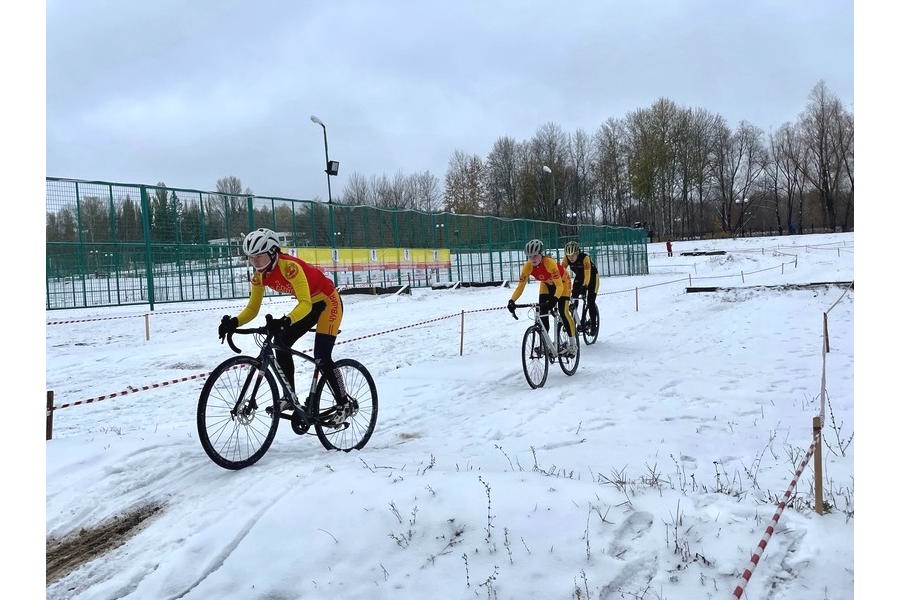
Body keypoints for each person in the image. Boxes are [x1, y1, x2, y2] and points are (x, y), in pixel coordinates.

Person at [217, 227, 351, 424]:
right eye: (251, 258)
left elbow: (305, 303)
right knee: (281, 341)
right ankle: (289, 397)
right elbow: (253, 308)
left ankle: (344, 403)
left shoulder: (290, 267)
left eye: (259, 257)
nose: (255, 262)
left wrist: (286, 320)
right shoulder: (259, 276)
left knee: (322, 356)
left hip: (327, 302)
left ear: (273, 252)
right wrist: (234, 322)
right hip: (309, 306)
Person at [507, 239, 578, 356]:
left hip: (563, 283)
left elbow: (559, 286)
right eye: (529, 256)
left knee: (563, 311)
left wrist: (554, 299)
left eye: (535, 256)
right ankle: (546, 344)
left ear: (541, 254)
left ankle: (572, 344)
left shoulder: (549, 263)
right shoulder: (527, 267)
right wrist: (512, 300)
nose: (532, 259)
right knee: (542, 312)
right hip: (546, 284)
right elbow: (520, 287)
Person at [561, 240, 600, 334]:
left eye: (573, 255)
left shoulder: (585, 258)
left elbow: (587, 274)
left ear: (578, 253)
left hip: (592, 277)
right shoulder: (566, 259)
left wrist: (585, 285)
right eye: (569, 255)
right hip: (579, 277)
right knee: (574, 298)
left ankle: (593, 324)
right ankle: (573, 321)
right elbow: (561, 272)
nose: (571, 258)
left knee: (590, 301)